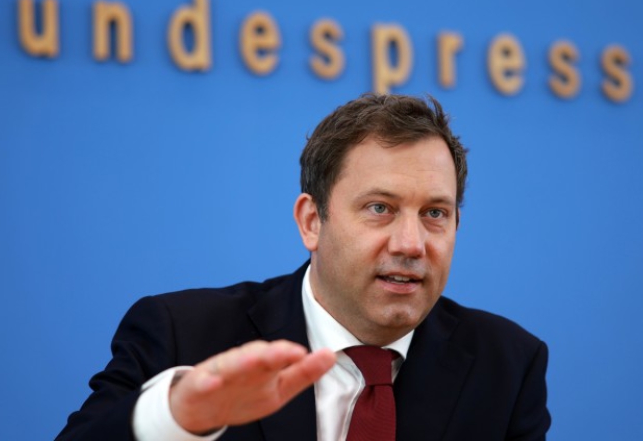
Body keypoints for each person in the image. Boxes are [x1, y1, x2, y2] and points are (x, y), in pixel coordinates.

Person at [56, 94, 550, 441]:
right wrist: (175, 416)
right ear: (312, 222)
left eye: (435, 214)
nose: (411, 244)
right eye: (379, 208)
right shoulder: (183, 336)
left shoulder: (506, 365)